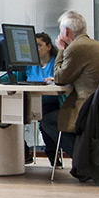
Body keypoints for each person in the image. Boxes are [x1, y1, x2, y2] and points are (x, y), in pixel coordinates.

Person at [51, 10, 99, 161]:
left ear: (66, 31)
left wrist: (61, 50)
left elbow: (59, 78)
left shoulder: (76, 48)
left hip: (89, 109)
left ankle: (84, 160)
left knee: (48, 120)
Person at [24, 31, 60, 162]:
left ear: (49, 46)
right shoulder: (29, 64)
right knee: (12, 115)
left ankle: (52, 155)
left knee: (45, 117)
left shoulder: (57, 62)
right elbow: (14, 75)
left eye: (39, 45)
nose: (36, 49)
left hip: (51, 101)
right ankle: (24, 152)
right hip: (32, 101)